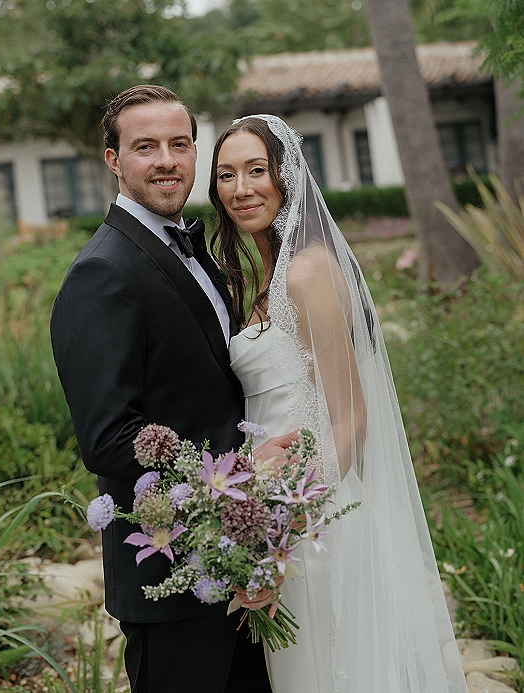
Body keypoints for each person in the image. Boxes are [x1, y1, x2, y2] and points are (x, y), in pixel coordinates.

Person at [209, 114, 469, 693]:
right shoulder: (266, 272)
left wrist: (284, 525)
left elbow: (351, 416)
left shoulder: (309, 272)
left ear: (288, 175)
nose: (241, 188)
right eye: (226, 174)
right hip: (275, 504)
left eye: (258, 170)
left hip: (314, 515)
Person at [50, 86, 292, 693]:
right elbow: (109, 439)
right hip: (174, 577)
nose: (166, 160)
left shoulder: (194, 247)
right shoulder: (102, 273)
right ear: (113, 161)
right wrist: (229, 485)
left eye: (179, 144)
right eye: (145, 147)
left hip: (235, 562)